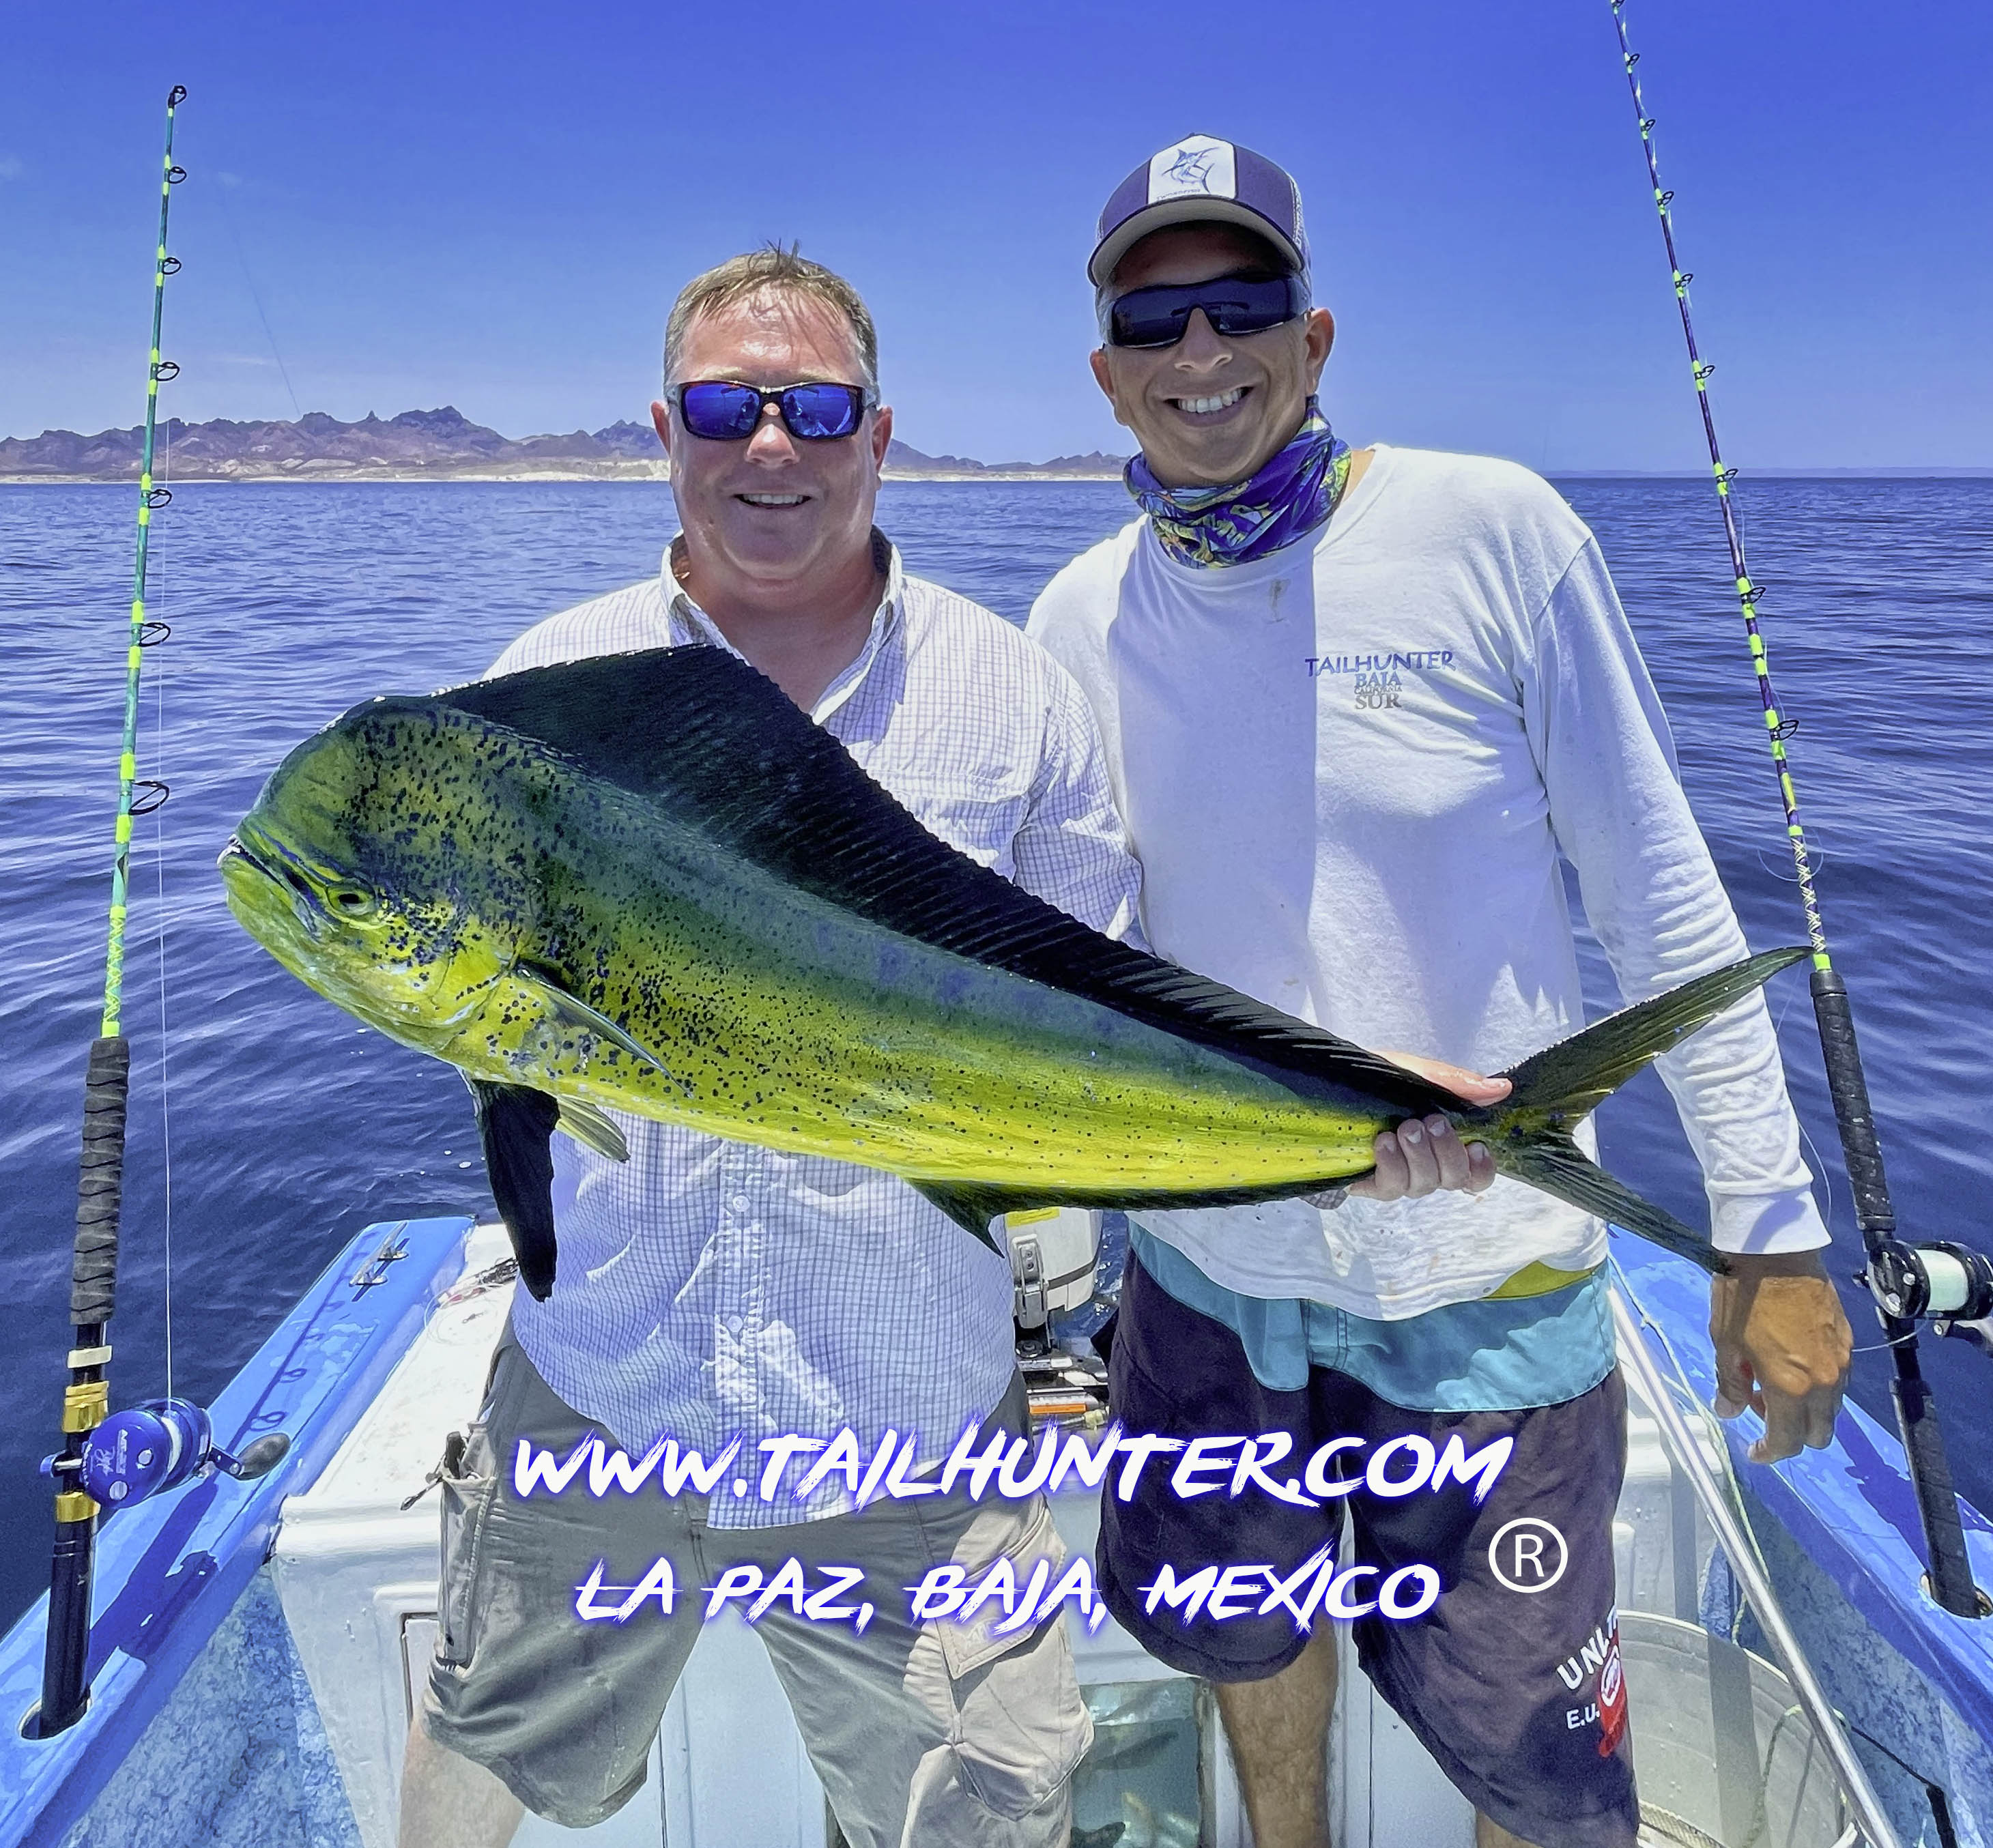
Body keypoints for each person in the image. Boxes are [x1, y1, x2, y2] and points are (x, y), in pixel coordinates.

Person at [394, 242, 1494, 1848]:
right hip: (602, 1382)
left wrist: (1353, 1122)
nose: (772, 444)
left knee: (978, 1808)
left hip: (904, 1419)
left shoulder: (1014, 697)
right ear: (665, 429)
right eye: (727, 407)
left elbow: (1101, 1044)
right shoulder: (542, 692)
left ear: (880, 433)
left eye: (816, 406)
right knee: (477, 1748)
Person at [1027, 136, 1856, 1848]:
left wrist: (1767, 1232)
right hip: (1206, 1276)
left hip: (1485, 1277)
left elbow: (1659, 896)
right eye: (1155, 320)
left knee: (1523, 1749)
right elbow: (1073, 964)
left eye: (1240, 302)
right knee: (1245, 1638)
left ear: (1312, 335)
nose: (1200, 351)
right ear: (1106, 372)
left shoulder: (1495, 532)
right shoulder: (1072, 618)